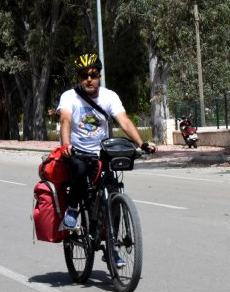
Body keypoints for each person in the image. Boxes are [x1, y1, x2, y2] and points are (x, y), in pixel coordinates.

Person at [56, 53, 156, 266]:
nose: (89, 79)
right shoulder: (69, 97)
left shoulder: (109, 96)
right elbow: (65, 120)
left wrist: (142, 144)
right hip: (76, 152)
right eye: (84, 76)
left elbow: (124, 121)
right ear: (78, 78)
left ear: (99, 76)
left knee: (113, 196)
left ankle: (112, 249)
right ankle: (73, 208)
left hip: (101, 154)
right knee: (80, 171)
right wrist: (65, 146)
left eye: (93, 75)